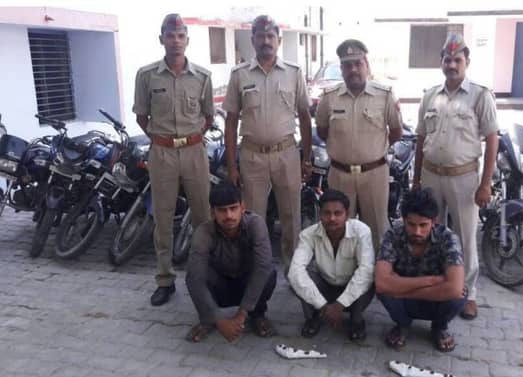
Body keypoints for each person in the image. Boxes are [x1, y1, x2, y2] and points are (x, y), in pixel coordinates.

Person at [412, 32, 498, 320]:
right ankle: (432, 285)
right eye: (447, 60)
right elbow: (420, 139)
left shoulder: (480, 96)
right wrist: (416, 180)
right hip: (431, 175)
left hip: (464, 179)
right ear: (441, 62)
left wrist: (486, 184)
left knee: (465, 237)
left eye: (457, 60)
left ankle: (468, 294)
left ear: (466, 62)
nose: (451, 65)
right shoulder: (429, 96)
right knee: (428, 233)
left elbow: (492, 140)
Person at [133, 13, 214, 306]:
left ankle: (207, 276)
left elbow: (208, 117)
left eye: (180, 36)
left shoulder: (202, 76)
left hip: (194, 152)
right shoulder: (146, 75)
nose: (176, 41)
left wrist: (191, 138)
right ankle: (165, 280)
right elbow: (142, 117)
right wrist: (162, 139)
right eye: (170, 35)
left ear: (187, 41)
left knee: (203, 217)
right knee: (163, 218)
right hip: (162, 153)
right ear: (162, 39)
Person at [224, 15, 313, 272]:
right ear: (253, 40)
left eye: (271, 36)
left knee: (291, 217)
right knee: (253, 218)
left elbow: (305, 117)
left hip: (286, 154)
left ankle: (294, 271)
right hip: (252, 156)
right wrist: (232, 166)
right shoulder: (239, 74)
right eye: (261, 36)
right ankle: (256, 272)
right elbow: (231, 121)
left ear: (279, 40)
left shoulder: (294, 73)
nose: (266, 41)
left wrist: (306, 158)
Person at [315, 39, 403, 252]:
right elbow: (322, 131)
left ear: (367, 65)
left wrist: (373, 152)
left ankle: (377, 271)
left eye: (358, 63)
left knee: (376, 230)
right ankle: (341, 271)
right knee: (338, 230)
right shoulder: (329, 97)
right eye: (347, 65)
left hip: (374, 174)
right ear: (341, 69)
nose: (353, 69)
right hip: (340, 174)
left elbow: (396, 131)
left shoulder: (384, 95)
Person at [375, 188, 467, 352]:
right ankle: (402, 325)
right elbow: (382, 283)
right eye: (411, 224)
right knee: (384, 292)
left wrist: (401, 289)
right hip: (417, 296)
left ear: (434, 221)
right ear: (404, 220)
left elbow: (454, 288)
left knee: (459, 295)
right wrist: (432, 280)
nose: (417, 232)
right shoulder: (393, 235)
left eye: (423, 225)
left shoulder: (448, 238)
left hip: (430, 297)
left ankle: (439, 327)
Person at [185, 182, 277, 343]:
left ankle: (257, 314)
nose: (229, 215)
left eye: (233, 208)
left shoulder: (256, 224)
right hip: (220, 287)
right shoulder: (203, 232)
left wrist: (241, 315)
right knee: (194, 275)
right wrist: (220, 321)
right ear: (212, 212)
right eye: (222, 210)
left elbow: (263, 266)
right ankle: (208, 319)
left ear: (242, 207)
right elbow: (195, 278)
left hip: (248, 284)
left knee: (267, 272)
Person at [288, 189, 375, 341]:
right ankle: (313, 318)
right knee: (295, 275)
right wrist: (322, 305)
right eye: (326, 213)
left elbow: (366, 270)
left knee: (370, 275)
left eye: (338, 213)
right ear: (320, 214)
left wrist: (340, 305)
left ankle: (356, 321)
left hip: (351, 287)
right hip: (325, 287)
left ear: (347, 215)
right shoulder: (308, 234)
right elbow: (295, 271)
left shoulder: (362, 231)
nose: (332, 218)